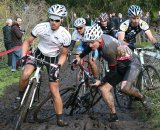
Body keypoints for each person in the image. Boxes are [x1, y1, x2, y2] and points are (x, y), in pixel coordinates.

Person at [74, 23, 152, 122]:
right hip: (120, 65)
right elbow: (89, 47)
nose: (90, 45)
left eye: (92, 42)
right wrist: (79, 57)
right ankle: (113, 115)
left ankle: (143, 98)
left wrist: (100, 81)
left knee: (124, 88)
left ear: (99, 39)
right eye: (89, 42)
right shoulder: (99, 39)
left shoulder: (108, 48)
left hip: (131, 64)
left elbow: (113, 71)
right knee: (104, 89)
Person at [13, 4, 71, 126]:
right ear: (49, 18)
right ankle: (19, 97)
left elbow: (64, 54)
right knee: (25, 74)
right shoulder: (41, 27)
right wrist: (24, 56)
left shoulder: (65, 35)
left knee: (54, 89)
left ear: (61, 20)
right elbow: (27, 42)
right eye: (51, 19)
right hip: (38, 54)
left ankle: (59, 118)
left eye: (57, 20)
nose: (53, 22)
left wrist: (58, 66)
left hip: (53, 59)